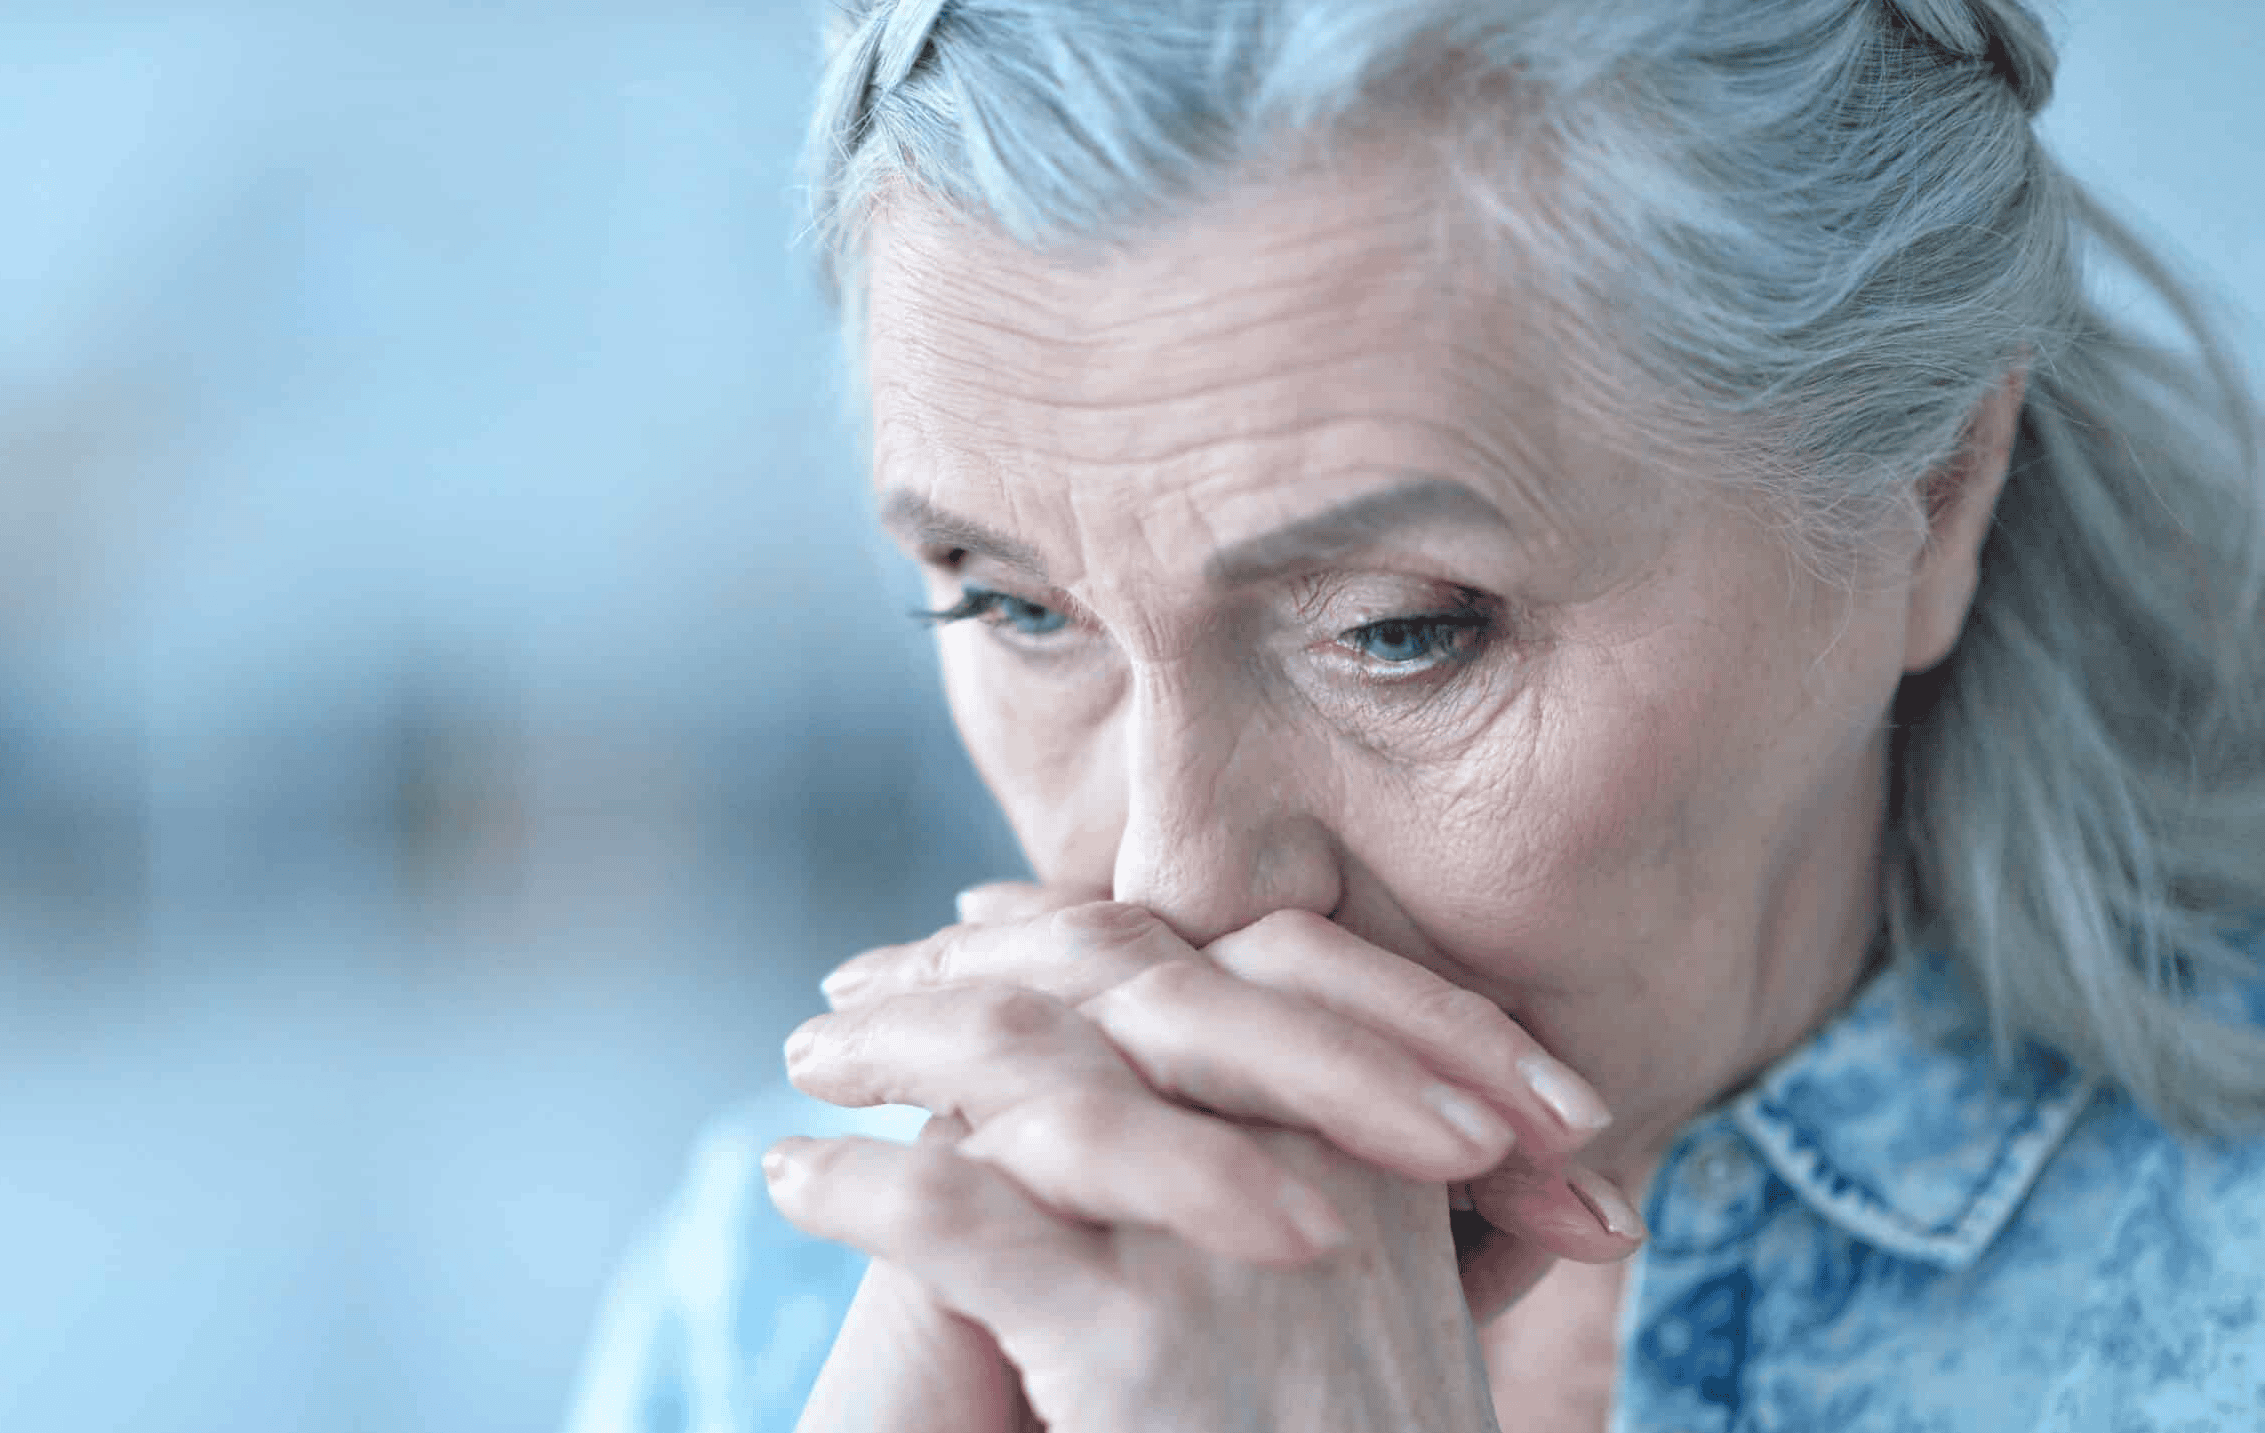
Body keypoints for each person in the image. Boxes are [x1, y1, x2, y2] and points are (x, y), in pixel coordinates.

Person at [566, 0, 2265, 1427]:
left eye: (1399, 634)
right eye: (1016, 609)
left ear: (1932, 492)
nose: (1174, 894)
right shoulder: (789, 1303)